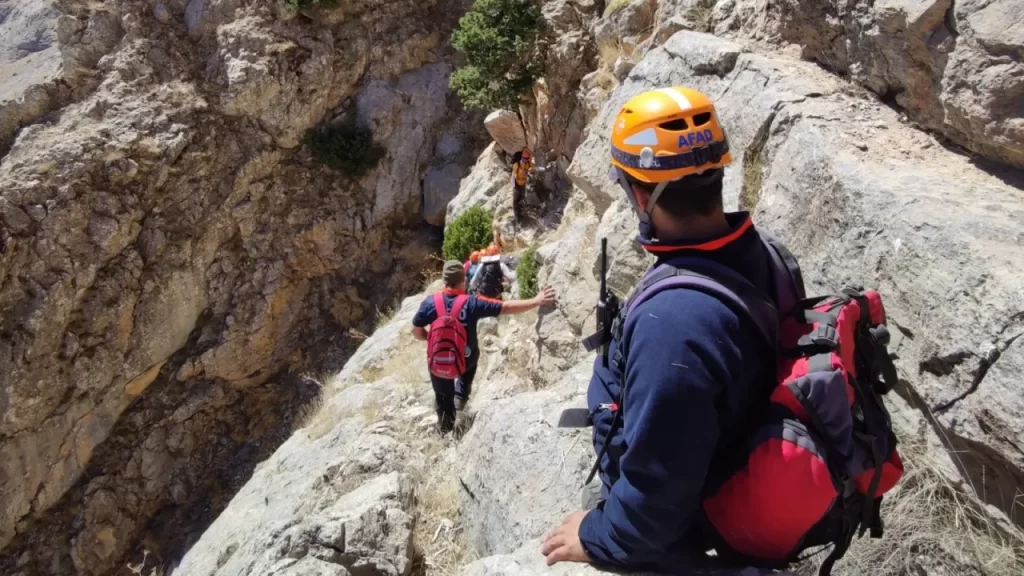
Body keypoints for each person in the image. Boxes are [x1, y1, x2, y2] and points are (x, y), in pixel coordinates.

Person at [541, 87, 785, 570]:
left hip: (693, 530)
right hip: (739, 465)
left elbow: (657, 499)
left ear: (639, 194)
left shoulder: (673, 324)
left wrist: (595, 536)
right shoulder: (765, 252)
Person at [412, 260, 556, 433]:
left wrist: (431, 340)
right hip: (465, 360)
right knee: (471, 359)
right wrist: (536, 300)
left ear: (444, 280)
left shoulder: (430, 302)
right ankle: (460, 398)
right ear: (463, 280)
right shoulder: (472, 303)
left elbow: (416, 331)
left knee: (442, 398)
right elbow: (505, 307)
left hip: (439, 362)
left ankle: (445, 428)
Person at [511, 148, 536, 220]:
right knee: (516, 200)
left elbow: (534, 167)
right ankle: (517, 216)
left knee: (522, 198)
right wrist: (522, 173)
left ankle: (522, 213)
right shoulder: (516, 165)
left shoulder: (528, 163)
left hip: (523, 184)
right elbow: (514, 176)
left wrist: (530, 171)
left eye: (527, 159)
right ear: (522, 157)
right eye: (524, 158)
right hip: (516, 184)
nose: (525, 160)